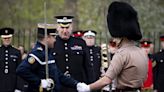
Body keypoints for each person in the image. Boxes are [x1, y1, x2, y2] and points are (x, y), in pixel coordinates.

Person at [76, 1, 148, 92]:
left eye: (116, 37)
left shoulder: (121, 54)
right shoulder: (142, 52)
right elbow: (145, 77)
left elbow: (106, 80)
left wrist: (88, 87)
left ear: (121, 35)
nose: (114, 40)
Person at [16, 23, 86, 92]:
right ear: (47, 37)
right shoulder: (38, 53)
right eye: (53, 37)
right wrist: (40, 82)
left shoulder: (47, 52)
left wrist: (77, 84)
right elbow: (21, 70)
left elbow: (58, 75)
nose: (55, 40)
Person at [52, 16, 90, 92]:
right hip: (58, 86)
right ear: (57, 28)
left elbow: (88, 67)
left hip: (77, 86)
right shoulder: (52, 43)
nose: (65, 31)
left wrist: (90, 86)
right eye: (62, 28)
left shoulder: (80, 43)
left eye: (67, 28)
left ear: (71, 27)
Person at [0, 27, 22, 92]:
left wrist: (19, 88)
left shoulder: (16, 52)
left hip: (13, 85)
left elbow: (19, 71)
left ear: (11, 38)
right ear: (2, 38)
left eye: (9, 38)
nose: (7, 40)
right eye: (5, 38)